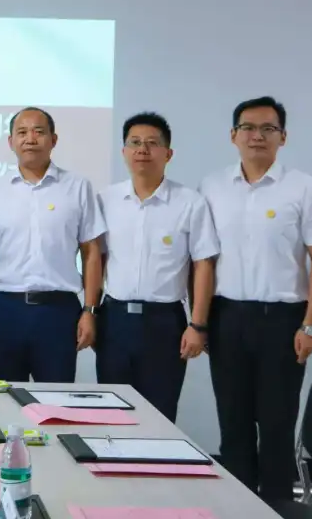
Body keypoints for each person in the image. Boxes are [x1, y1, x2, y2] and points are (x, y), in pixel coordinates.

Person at [200, 96, 312, 505]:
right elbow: (203, 260)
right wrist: (201, 321)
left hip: (283, 320)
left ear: (283, 137)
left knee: (276, 425)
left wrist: (311, 324)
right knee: (233, 423)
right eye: (248, 127)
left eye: (267, 129)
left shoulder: (306, 189)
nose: (256, 136)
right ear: (233, 135)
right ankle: (239, 508)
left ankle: (277, 509)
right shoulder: (211, 187)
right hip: (227, 317)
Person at [95, 112, 219, 422]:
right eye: (135, 143)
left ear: (168, 153)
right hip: (114, 320)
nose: (142, 150)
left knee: (160, 417)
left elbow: (203, 265)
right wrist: (90, 312)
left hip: (164, 323)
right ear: (124, 151)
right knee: (111, 414)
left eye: (152, 143)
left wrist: (198, 324)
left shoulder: (190, 202)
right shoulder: (106, 200)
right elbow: (97, 259)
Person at [0, 106, 106, 382]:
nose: (30, 139)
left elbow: (92, 253)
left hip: (58, 312)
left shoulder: (77, 187)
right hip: (4, 310)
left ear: (53, 140)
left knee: (56, 399)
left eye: (38, 131)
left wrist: (90, 310)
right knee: (3, 397)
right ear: (11, 141)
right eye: (22, 132)